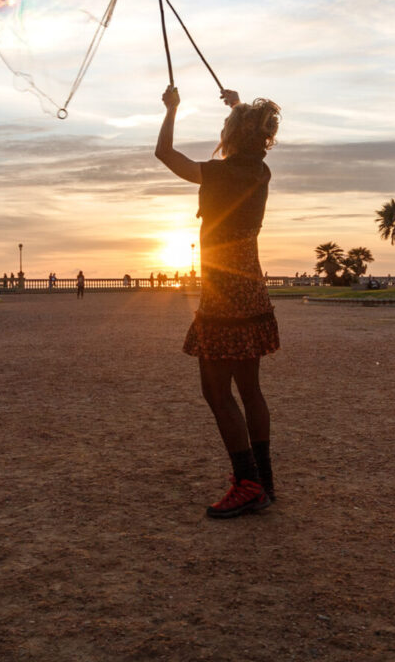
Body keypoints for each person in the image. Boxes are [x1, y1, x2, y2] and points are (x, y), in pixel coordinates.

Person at [155, 83, 282, 520]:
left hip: (224, 291)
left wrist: (172, 110)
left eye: (227, 125)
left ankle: (247, 485)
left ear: (232, 136)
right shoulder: (259, 171)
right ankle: (263, 481)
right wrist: (237, 106)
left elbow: (165, 155)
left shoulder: (221, 173)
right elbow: (248, 140)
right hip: (250, 284)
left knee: (215, 390)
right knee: (249, 389)